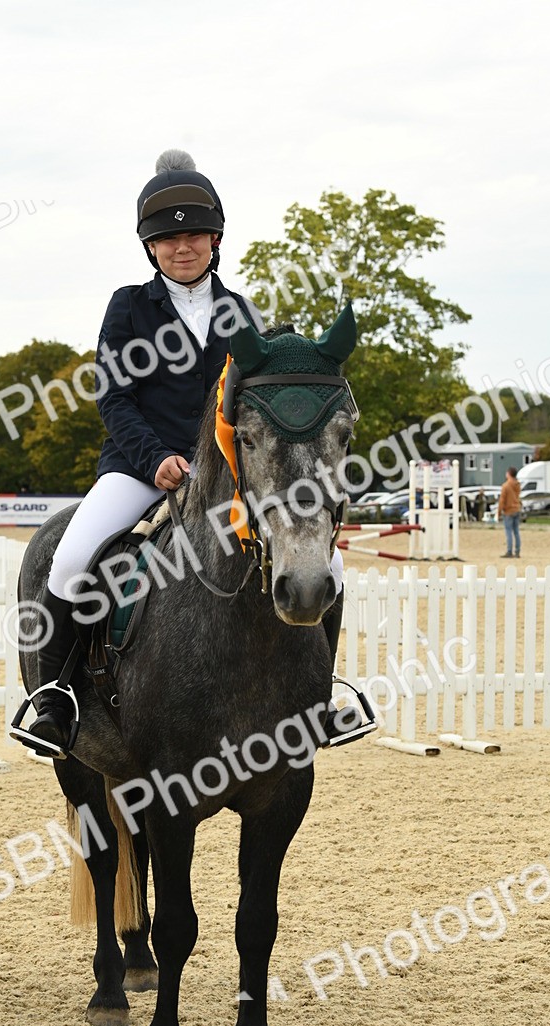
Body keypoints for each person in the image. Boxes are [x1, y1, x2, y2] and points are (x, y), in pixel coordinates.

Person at [24, 150, 366, 757]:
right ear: (152, 248)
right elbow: (114, 395)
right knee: (72, 555)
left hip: (220, 475)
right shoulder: (128, 306)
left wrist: (241, 462)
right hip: (140, 469)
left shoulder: (240, 312)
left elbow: (247, 410)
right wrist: (155, 457)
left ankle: (320, 695)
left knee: (330, 567)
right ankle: (53, 697)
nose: (183, 247)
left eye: (194, 235)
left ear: (215, 239)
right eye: (168, 238)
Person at [498, 467, 522, 557]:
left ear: (509, 474)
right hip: (517, 508)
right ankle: (517, 551)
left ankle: (509, 551)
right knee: (516, 531)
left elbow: (502, 500)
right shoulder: (517, 485)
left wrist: (499, 512)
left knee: (508, 531)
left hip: (508, 510)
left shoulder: (506, 486)